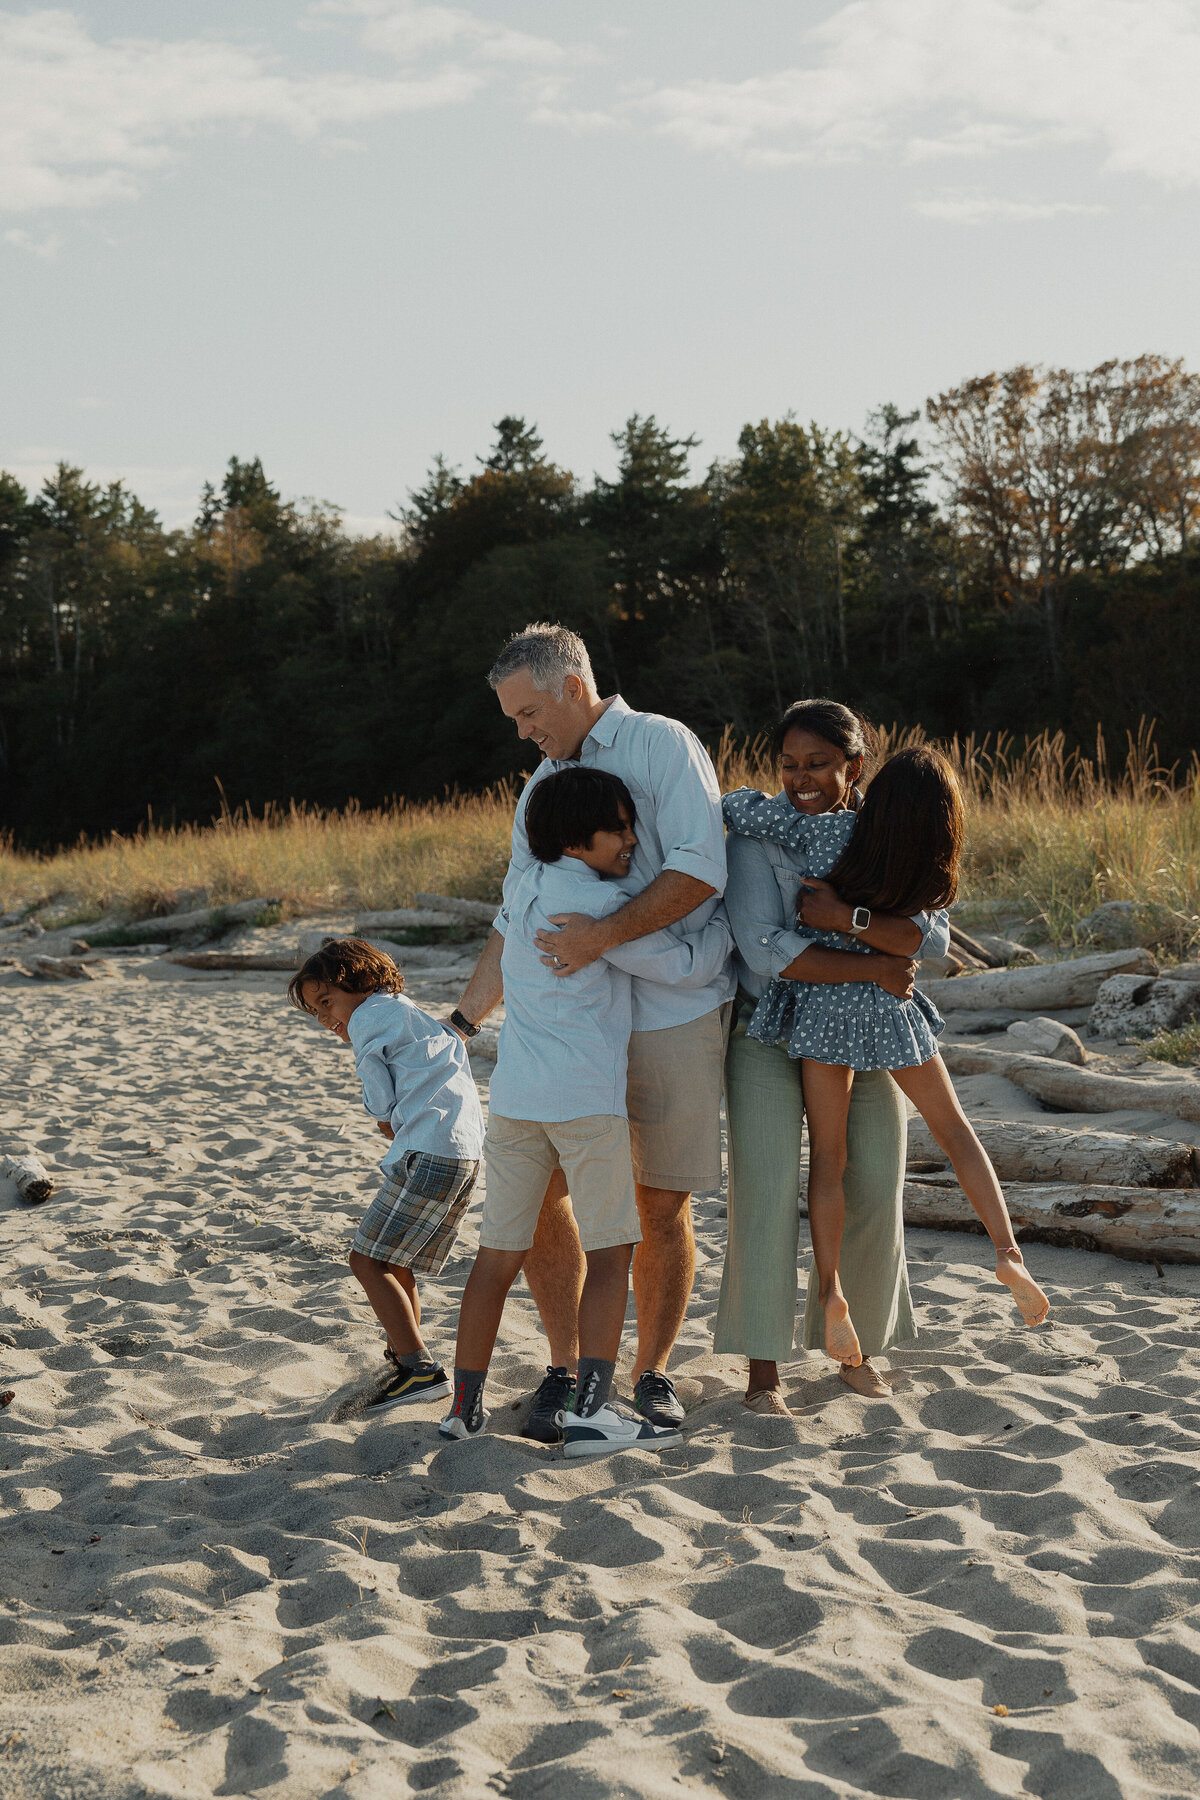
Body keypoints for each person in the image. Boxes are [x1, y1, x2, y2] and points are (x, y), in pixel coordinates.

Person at [450, 623, 734, 1441]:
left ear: (572, 687)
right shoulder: (541, 787)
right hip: (569, 1035)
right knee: (542, 1202)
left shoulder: (661, 744)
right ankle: (568, 1370)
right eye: (514, 719)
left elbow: (700, 867)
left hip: (670, 1012)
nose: (524, 732)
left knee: (659, 1200)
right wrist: (466, 1018)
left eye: (530, 713)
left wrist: (602, 937)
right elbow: (513, 914)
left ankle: (649, 1374)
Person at [725, 745, 1050, 1371]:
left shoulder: (830, 835)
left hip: (825, 1014)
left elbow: (741, 812)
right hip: (889, 1009)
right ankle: (1007, 1252)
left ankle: (831, 1290)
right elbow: (922, 941)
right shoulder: (925, 866)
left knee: (830, 1160)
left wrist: (741, 801)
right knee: (956, 1132)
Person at [715, 699, 950, 1413]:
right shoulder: (755, 837)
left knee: (874, 1179)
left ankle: (857, 1347)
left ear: (855, 764)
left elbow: (932, 940)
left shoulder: (884, 833)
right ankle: (763, 1370)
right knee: (766, 1187)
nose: (801, 779)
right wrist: (875, 962)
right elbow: (767, 952)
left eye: (817, 764)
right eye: (788, 764)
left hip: (862, 1025)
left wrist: (854, 923)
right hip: (766, 1026)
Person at [288, 938, 484, 1409]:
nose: (325, 1018)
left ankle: (419, 1369)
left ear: (362, 982)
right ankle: (403, 1356)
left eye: (327, 1001)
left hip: (428, 1152)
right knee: (395, 1261)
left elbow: (378, 1092)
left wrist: (383, 1118)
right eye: (315, 1010)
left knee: (366, 1261)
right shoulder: (414, 1015)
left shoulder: (369, 1019)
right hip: (463, 1153)